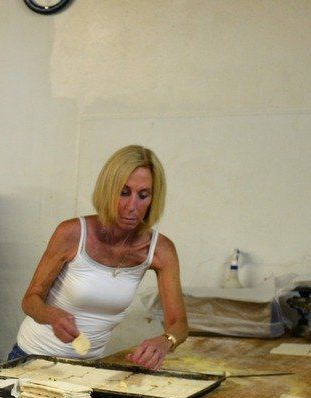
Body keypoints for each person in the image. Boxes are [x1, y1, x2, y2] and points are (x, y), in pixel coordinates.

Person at [12, 144, 188, 370]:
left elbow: (179, 323)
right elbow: (30, 300)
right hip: (31, 358)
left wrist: (166, 341)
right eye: (124, 193)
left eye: (143, 196)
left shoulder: (160, 249)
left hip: (88, 369)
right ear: (108, 190)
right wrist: (50, 315)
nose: (132, 206)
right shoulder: (72, 233)